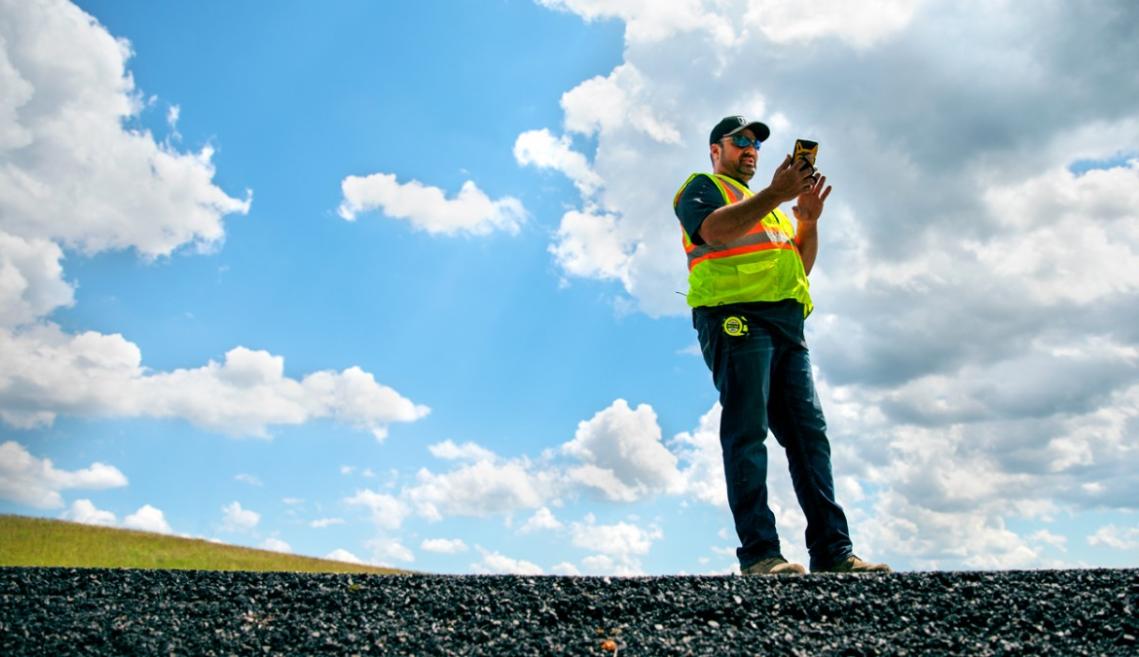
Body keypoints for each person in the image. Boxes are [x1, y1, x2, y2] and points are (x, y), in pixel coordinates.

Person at [674, 115, 890, 575]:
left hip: (787, 326)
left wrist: (807, 221)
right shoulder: (702, 188)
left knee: (810, 437)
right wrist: (777, 192)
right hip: (736, 318)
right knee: (747, 433)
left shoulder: (768, 207)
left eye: (755, 143)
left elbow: (799, 267)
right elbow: (712, 233)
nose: (750, 149)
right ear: (716, 151)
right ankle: (760, 554)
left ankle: (833, 552)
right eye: (740, 142)